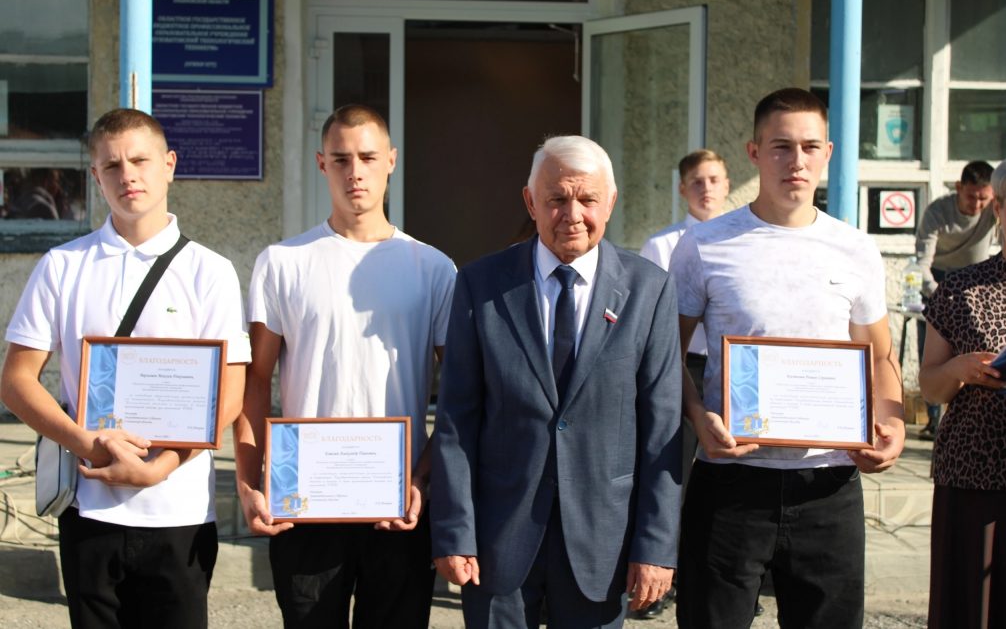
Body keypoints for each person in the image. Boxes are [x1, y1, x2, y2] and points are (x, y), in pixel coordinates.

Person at [0, 108, 250, 628]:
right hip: (90, 506)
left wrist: (162, 465)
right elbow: (17, 380)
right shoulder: (62, 265)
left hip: (179, 508)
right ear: (95, 176)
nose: (127, 176)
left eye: (140, 161)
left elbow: (229, 391)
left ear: (169, 165)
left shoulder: (210, 271)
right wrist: (84, 441)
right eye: (111, 166)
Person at [671, 88, 905, 628]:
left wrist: (891, 422)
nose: (796, 161)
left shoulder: (856, 248)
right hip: (731, 481)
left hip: (828, 484)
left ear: (828, 153)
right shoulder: (704, 245)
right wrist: (697, 416)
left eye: (809, 146)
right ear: (754, 152)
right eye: (780, 146)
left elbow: (880, 358)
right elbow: (665, 356)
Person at [431, 135, 683, 629]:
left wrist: (655, 546)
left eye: (588, 199)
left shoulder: (649, 290)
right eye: (556, 199)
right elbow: (457, 420)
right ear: (530, 202)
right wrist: (454, 532)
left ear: (610, 202)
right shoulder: (481, 285)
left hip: (603, 543)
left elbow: (662, 429)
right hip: (498, 542)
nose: (573, 214)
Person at [233, 104, 456, 628]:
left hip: (397, 501)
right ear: (321, 163)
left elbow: (458, 394)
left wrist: (423, 477)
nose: (355, 171)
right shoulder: (282, 262)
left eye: (368, 157)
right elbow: (255, 381)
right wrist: (249, 481)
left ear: (391, 161)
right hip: (305, 500)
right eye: (341, 159)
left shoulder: (433, 268)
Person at [918, 152, 1006, 628]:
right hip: (973, 473)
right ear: (997, 209)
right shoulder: (960, 288)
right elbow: (930, 388)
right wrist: (958, 369)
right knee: (971, 610)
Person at [637, 149, 730, 619]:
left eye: (714, 179)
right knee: (676, 473)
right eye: (697, 181)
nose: (706, 189)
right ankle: (662, 578)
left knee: (730, 477)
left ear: (727, 184)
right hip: (683, 365)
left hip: (732, 372)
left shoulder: (740, 239)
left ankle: (725, 577)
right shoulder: (662, 245)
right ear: (682, 189)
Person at [914, 160, 996, 440]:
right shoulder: (937, 211)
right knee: (932, 353)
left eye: (984, 198)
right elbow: (922, 263)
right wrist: (938, 294)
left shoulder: (993, 210)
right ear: (959, 187)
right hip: (939, 282)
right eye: (971, 196)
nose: (977, 205)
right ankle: (933, 419)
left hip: (977, 283)